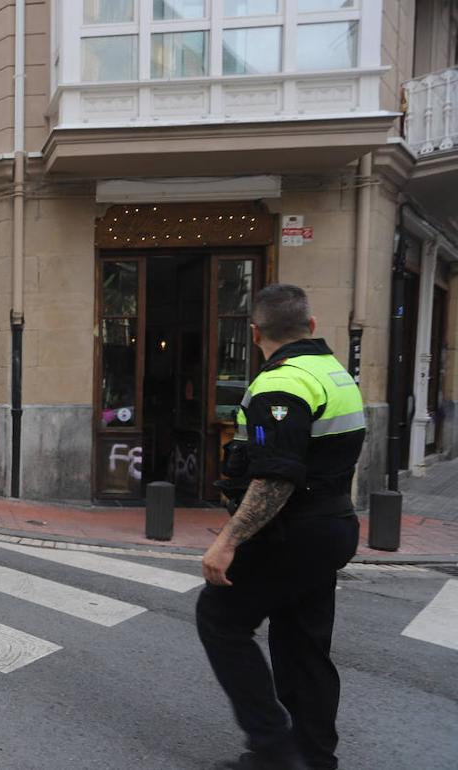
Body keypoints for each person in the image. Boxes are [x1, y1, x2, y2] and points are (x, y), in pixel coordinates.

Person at [197, 285, 365, 770]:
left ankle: (272, 747)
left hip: (292, 530)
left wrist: (227, 542)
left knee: (220, 620)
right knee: (303, 644)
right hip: (333, 525)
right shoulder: (337, 375)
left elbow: (276, 477)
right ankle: (314, 757)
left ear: (254, 334)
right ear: (311, 326)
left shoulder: (281, 385)